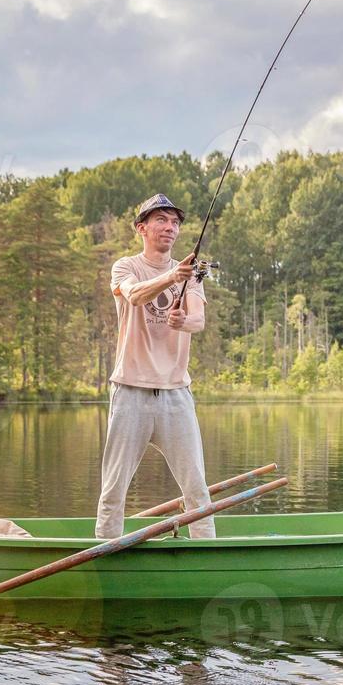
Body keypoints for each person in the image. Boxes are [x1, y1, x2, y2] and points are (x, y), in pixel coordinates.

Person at [95, 193, 215, 539]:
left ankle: (209, 561)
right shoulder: (126, 267)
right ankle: (105, 557)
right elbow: (134, 295)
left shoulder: (191, 275)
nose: (170, 227)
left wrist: (183, 321)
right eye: (161, 220)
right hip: (130, 392)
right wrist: (170, 277)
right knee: (113, 491)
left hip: (176, 396)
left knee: (197, 490)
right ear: (141, 228)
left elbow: (198, 321)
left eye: (175, 222)